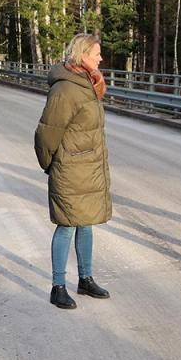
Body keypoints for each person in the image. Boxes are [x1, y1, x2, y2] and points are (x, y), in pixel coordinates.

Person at [34, 33, 113, 309]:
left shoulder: (88, 84)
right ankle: (58, 286)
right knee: (67, 225)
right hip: (70, 169)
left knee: (86, 223)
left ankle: (85, 279)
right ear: (82, 56)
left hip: (88, 169)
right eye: (96, 54)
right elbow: (46, 134)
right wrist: (51, 165)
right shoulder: (66, 89)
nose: (101, 58)